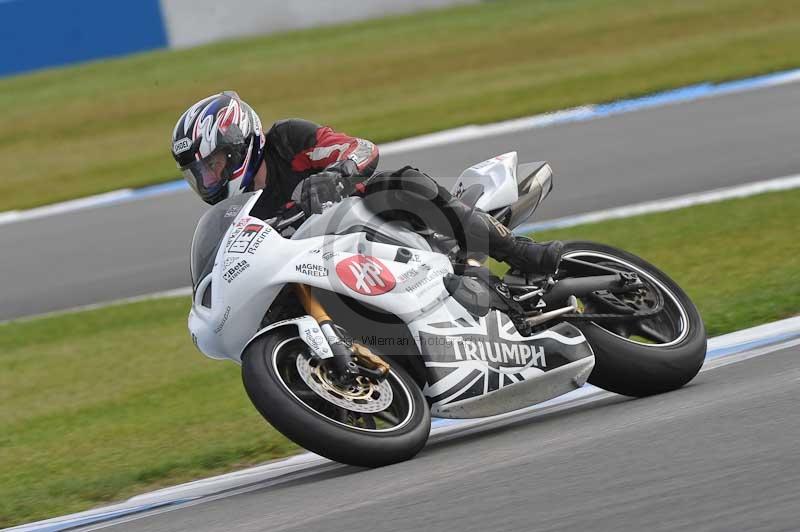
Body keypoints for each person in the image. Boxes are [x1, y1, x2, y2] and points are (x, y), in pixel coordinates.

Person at [170, 91, 562, 273]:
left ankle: (519, 253)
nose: (209, 178)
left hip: (374, 219)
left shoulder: (287, 140)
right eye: (201, 173)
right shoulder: (245, 211)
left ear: (239, 143)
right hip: (332, 262)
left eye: (214, 164)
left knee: (405, 182)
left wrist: (336, 174)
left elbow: (360, 149)